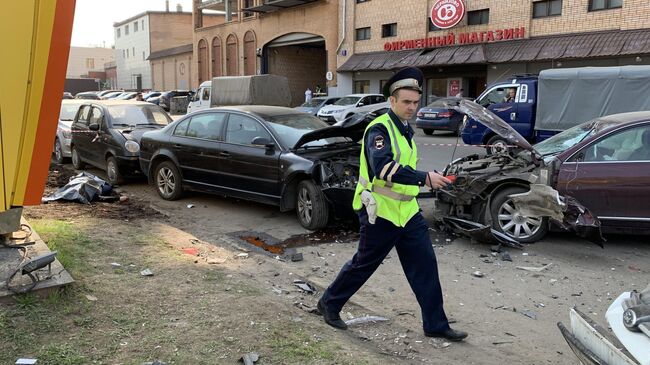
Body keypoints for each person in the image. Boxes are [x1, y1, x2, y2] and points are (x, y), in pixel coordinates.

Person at [317, 67, 468, 342]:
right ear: (392, 101)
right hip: (380, 211)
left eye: (415, 102)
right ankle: (329, 304)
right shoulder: (380, 129)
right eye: (406, 102)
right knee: (364, 264)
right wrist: (425, 178)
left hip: (407, 211)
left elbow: (405, 168)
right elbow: (383, 168)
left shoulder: (406, 129)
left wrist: (430, 179)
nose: (412, 107)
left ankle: (435, 324)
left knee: (425, 267)